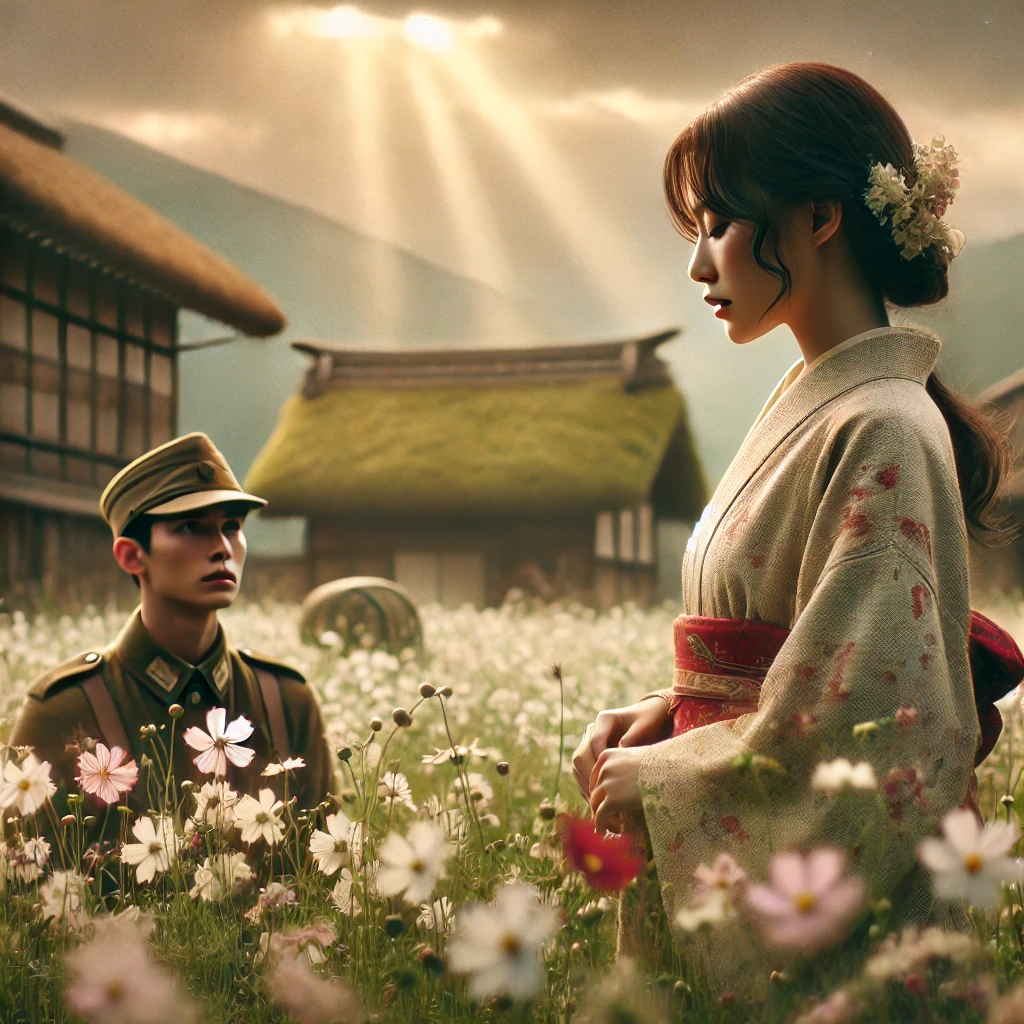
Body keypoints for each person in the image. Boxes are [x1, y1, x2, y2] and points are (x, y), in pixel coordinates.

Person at [571, 62, 1022, 991]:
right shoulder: (830, 408)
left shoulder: (884, 423)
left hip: (822, 923)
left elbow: (875, 723)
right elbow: (771, 652)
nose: (700, 265)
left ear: (820, 218)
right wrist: (668, 716)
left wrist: (669, 779)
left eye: (721, 226)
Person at [9, 432, 337, 845]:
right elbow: (22, 882)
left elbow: (329, 872)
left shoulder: (287, 700)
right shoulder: (64, 708)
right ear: (131, 555)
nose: (222, 548)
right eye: (191, 527)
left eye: (232, 527)